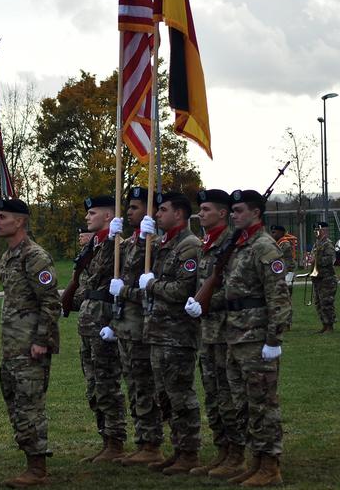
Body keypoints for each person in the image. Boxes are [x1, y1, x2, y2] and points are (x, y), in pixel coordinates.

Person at [221, 189, 292, 487]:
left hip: (256, 337)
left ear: (255, 213)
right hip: (236, 333)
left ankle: (270, 464)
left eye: (239, 210)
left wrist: (273, 340)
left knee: (263, 403)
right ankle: (256, 460)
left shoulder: (264, 247)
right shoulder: (239, 245)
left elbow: (278, 297)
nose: (233, 214)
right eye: (232, 210)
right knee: (244, 403)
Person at [0, 198, 61, 487]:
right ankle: (30, 458)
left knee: (29, 406)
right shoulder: (9, 256)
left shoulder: (34, 256)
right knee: (16, 404)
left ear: (19, 221)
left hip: (31, 347)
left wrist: (42, 340)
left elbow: (50, 301)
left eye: (2, 216)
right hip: (13, 347)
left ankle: (37, 468)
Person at [135, 192, 203, 475]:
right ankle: (178, 450)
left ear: (180, 214)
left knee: (180, 396)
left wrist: (152, 286)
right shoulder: (162, 244)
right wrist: (141, 239)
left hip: (178, 334)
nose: (157, 214)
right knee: (165, 396)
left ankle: (189, 452)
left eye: (163, 210)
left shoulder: (189, 246)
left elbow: (181, 290)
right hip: (158, 332)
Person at [187, 189, 245, 479]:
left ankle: (236, 454)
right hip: (206, 332)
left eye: (207, 209)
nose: (201, 214)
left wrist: (207, 301)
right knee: (212, 395)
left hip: (226, 331)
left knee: (228, 395)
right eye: (201, 209)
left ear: (222, 214)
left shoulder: (231, 244)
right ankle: (222, 450)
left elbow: (236, 287)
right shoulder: (205, 244)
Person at [109, 187, 164, 466]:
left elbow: (145, 285)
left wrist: (146, 240)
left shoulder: (154, 243)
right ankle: (142, 441)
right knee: (133, 385)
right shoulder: (129, 242)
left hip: (142, 325)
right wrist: (111, 240)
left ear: (149, 212)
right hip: (125, 326)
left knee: (145, 386)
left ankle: (152, 444)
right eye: (128, 207)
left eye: (134, 207)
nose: (128, 212)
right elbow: (115, 269)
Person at [76, 195, 127, 463]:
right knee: (93, 386)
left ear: (108, 216)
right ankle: (105, 439)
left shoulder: (116, 245)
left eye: (93, 213)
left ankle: (115, 442)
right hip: (88, 325)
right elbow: (84, 285)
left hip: (105, 323)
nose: (87, 217)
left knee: (107, 385)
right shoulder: (94, 245)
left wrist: (110, 242)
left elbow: (108, 273)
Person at [310, 222, 337, 334]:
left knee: (326, 302)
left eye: (319, 229)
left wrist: (316, 261)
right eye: (315, 229)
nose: (316, 232)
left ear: (325, 231)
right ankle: (324, 324)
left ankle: (330, 325)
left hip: (327, 278)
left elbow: (330, 260)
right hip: (318, 278)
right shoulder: (317, 243)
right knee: (319, 303)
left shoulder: (328, 244)